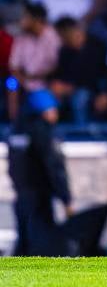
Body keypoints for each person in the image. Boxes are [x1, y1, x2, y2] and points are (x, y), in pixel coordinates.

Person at [7, 89, 71, 256]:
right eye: (53, 109)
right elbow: (54, 167)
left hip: (21, 198)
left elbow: (12, 168)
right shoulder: (43, 132)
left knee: (24, 246)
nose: (56, 114)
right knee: (43, 247)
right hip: (40, 199)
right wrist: (66, 198)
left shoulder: (16, 131)